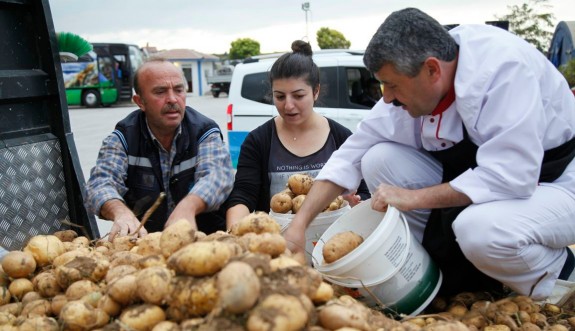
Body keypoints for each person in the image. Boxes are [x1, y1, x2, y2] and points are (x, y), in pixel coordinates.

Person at [283, 8, 575, 304]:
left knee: (479, 230)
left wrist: (415, 198)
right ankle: (432, 277)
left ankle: (554, 278)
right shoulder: (417, 77)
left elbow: (511, 176)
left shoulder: (503, 71)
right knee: (377, 158)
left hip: (555, 184)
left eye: (392, 85)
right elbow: (352, 153)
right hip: (486, 181)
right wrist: (299, 225)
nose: (386, 97)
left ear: (432, 70)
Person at [223, 40, 370, 230]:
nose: (288, 105)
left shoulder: (341, 137)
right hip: (278, 247)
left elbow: (365, 192)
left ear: (315, 91)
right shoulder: (258, 141)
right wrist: (233, 232)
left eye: (298, 96)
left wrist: (354, 202)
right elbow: (243, 195)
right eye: (280, 96)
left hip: (331, 241)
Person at [85, 57, 234, 241]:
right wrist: (120, 212)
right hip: (147, 245)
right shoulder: (123, 138)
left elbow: (217, 176)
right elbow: (99, 184)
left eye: (178, 90)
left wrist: (188, 206)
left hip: (205, 244)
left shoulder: (204, 131)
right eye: (160, 92)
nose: (172, 99)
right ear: (140, 102)